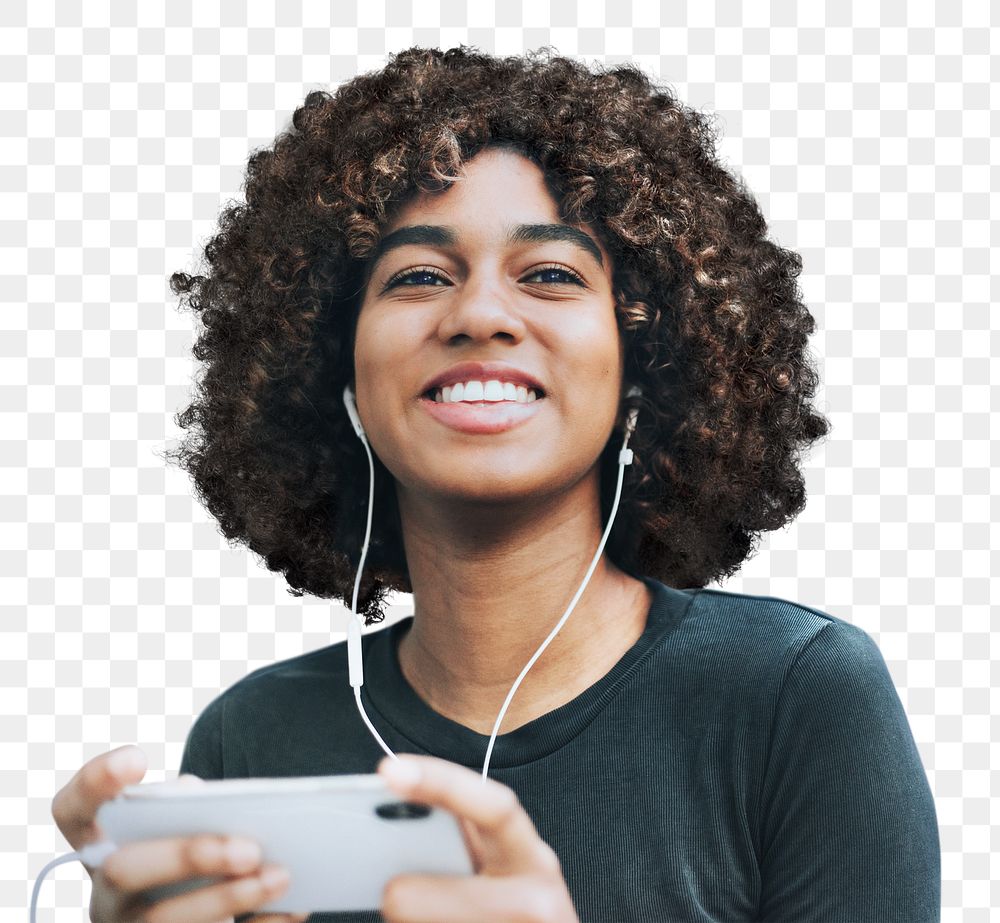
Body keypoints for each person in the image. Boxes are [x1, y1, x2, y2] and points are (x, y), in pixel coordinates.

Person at [50, 46, 941, 922]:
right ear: (336, 371)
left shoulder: (795, 695)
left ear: (643, 362)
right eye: (420, 276)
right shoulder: (252, 736)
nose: (478, 314)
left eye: (551, 274)